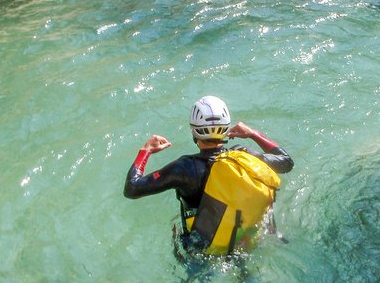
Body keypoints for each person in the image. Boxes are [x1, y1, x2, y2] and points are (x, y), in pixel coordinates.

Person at [124, 95, 293, 255]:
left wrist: (146, 151)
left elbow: (132, 188)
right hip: (240, 240)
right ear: (226, 128)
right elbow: (286, 161)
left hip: (200, 248)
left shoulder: (184, 168)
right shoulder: (244, 156)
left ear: (193, 131)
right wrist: (253, 134)